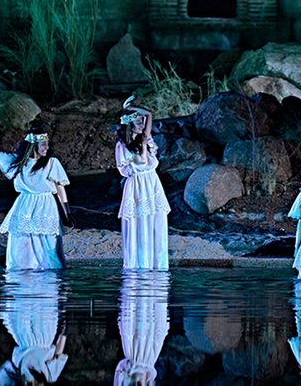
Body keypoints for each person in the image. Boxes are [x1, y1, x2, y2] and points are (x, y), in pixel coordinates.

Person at [0, 120, 71, 270]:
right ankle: (23, 272)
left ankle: (51, 273)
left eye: (47, 143)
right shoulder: (19, 163)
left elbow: (60, 187)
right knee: (23, 239)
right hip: (25, 203)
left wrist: (67, 212)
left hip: (46, 204)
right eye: (44, 144)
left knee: (49, 241)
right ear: (34, 145)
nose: (47, 147)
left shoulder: (51, 163)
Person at [115, 97, 172, 270]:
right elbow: (124, 168)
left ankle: (158, 264)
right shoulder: (122, 145)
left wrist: (130, 107)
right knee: (139, 221)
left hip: (152, 182)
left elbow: (149, 114)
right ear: (130, 125)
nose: (141, 125)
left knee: (156, 217)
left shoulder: (145, 138)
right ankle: (140, 263)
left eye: (141, 123)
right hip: (137, 184)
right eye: (138, 123)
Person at [0, 270, 68, 385]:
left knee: (22, 299)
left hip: (23, 335)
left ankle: (19, 272)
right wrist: (64, 332)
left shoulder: (19, 376)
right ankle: (46, 272)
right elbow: (58, 355)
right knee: (45, 298)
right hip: (45, 334)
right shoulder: (49, 376)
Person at [115, 270, 170, 386]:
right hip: (148, 354)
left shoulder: (131, 363)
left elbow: (121, 370)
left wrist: (130, 373)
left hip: (135, 351)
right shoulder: (149, 372)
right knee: (154, 311)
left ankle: (139, 272)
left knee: (138, 313)